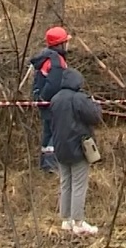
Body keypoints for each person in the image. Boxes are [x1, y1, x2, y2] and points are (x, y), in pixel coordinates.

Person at [49, 67, 103, 236]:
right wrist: (95, 105)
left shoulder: (55, 99)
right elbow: (95, 117)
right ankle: (79, 222)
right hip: (78, 147)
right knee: (79, 184)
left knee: (65, 183)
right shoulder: (79, 98)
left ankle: (66, 220)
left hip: (60, 147)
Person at [28, 26, 71, 173]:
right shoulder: (57, 61)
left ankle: (45, 164)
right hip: (53, 103)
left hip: (44, 102)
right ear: (61, 43)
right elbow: (54, 84)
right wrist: (49, 99)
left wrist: (40, 98)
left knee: (48, 133)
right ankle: (51, 165)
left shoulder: (45, 57)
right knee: (56, 133)